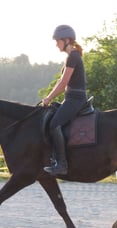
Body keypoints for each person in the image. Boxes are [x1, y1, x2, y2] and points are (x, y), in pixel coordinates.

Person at [42, 25, 88, 175]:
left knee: (55, 124)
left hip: (75, 99)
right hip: (71, 98)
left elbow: (63, 83)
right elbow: (60, 81)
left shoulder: (73, 56)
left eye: (57, 41)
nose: (56, 44)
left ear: (66, 40)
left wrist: (49, 98)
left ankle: (61, 164)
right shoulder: (72, 56)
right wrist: (48, 97)